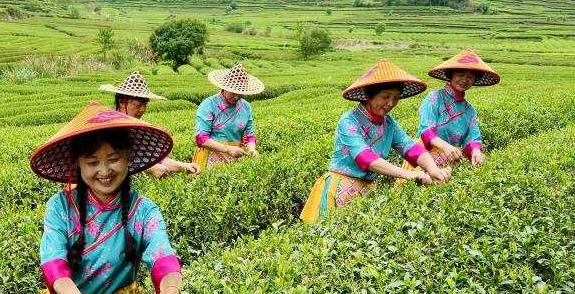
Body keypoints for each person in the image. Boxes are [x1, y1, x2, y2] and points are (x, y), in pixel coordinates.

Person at [27, 102, 185, 294]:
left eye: (113, 159)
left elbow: (163, 256)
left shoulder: (143, 211)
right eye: (92, 162)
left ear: (127, 157)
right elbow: (54, 264)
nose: (104, 171)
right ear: (77, 164)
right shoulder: (60, 207)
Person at [299, 59, 452, 222]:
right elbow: (366, 158)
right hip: (340, 189)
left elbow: (411, 148)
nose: (391, 103)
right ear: (369, 95)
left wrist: (433, 169)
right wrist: (407, 174)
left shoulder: (389, 123)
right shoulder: (349, 121)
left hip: (368, 189)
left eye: (396, 98)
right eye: (385, 96)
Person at [100, 69, 200, 178]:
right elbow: (106, 161)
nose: (142, 109)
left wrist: (184, 166)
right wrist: (149, 169)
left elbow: (156, 159)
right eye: (138, 105)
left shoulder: (138, 128)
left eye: (145, 104)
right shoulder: (107, 127)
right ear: (121, 101)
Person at [415, 50, 499, 168]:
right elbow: (426, 129)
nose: (465, 80)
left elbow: (473, 137)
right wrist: (446, 147)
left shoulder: (469, 110)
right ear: (451, 75)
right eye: (460, 75)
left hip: (449, 164)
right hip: (424, 159)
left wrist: (476, 151)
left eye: (470, 77)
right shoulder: (435, 97)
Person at [192, 64, 263, 170]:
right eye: (233, 92)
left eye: (240, 93)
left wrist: (252, 150)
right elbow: (201, 138)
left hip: (234, 159)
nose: (237, 97)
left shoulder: (246, 107)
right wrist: (228, 149)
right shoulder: (209, 104)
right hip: (210, 159)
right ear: (224, 87)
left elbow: (249, 135)